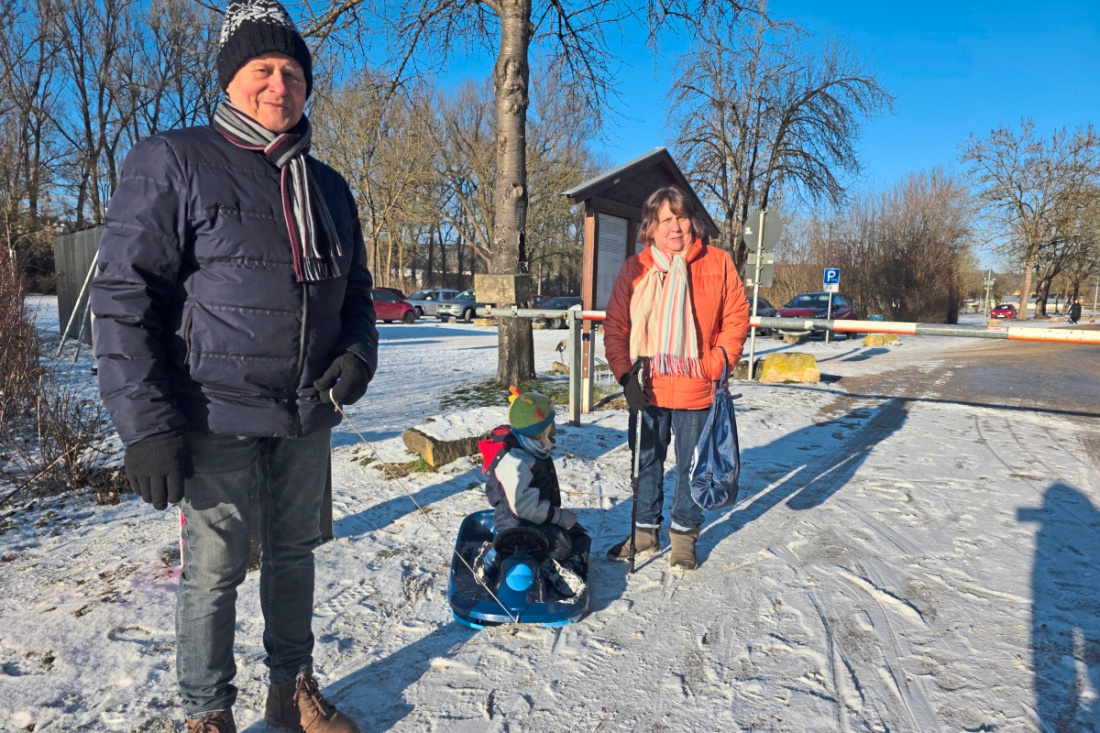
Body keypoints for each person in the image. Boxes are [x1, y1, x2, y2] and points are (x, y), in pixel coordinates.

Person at [89, 0, 375, 730]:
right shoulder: (174, 160)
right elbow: (123, 298)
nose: (280, 85)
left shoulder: (329, 187)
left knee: (294, 554)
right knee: (214, 573)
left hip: (306, 411)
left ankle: (291, 688)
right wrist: (145, 426)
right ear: (229, 79)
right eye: (263, 69)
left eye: (293, 72)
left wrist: (357, 352)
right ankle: (207, 711)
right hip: (212, 411)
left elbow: (357, 293)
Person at [603, 185, 750, 571]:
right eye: (665, 219)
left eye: (681, 217)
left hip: (697, 385)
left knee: (692, 465)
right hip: (647, 385)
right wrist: (625, 375)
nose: (675, 227)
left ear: (693, 222)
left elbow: (736, 317)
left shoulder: (718, 262)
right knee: (646, 461)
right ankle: (644, 532)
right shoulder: (635, 268)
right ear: (651, 227)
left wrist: (716, 363)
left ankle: (684, 535)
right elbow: (616, 325)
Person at [479, 389, 591, 592]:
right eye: (550, 421)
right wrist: (557, 516)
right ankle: (501, 557)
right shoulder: (516, 461)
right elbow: (523, 507)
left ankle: (541, 562)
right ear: (542, 426)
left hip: (532, 517)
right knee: (567, 543)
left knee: (571, 535)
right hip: (516, 524)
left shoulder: (531, 447)